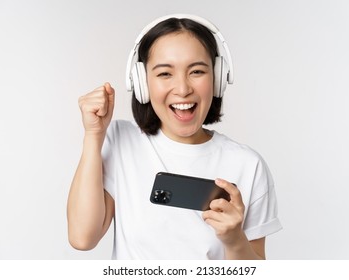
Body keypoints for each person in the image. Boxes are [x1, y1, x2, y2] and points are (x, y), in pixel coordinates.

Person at [67, 14, 282, 260]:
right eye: (165, 74)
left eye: (197, 71)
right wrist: (94, 136)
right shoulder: (121, 141)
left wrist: (234, 240)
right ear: (141, 83)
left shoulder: (247, 164)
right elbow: (82, 237)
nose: (182, 89)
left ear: (218, 78)